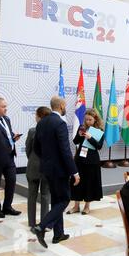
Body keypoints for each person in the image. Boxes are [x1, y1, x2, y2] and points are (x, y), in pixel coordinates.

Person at [31, 96, 80, 248]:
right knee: (64, 200)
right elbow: (65, 151)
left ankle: (59, 234)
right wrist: (75, 172)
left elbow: (36, 147)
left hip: (47, 169)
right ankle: (41, 226)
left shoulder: (42, 122)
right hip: (60, 170)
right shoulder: (60, 123)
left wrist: (47, 160)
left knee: (56, 201)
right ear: (62, 105)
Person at [67, 108, 104, 215]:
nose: (87, 122)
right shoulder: (82, 127)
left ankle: (87, 207)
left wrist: (90, 138)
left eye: (90, 120)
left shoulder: (99, 131)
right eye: (86, 119)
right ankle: (76, 206)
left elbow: (99, 146)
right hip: (79, 159)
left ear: (95, 120)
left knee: (89, 183)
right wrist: (79, 134)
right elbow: (75, 142)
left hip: (92, 161)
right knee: (77, 182)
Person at [25, 106, 51, 227]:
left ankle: (31, 223)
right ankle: (44, 223)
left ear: (39, 117)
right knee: (45, 196)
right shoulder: (52, 132)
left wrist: (32, 159)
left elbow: (28, 149)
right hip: (46, 168)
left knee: (32, 196)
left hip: (33, 167)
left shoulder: (32, 131)